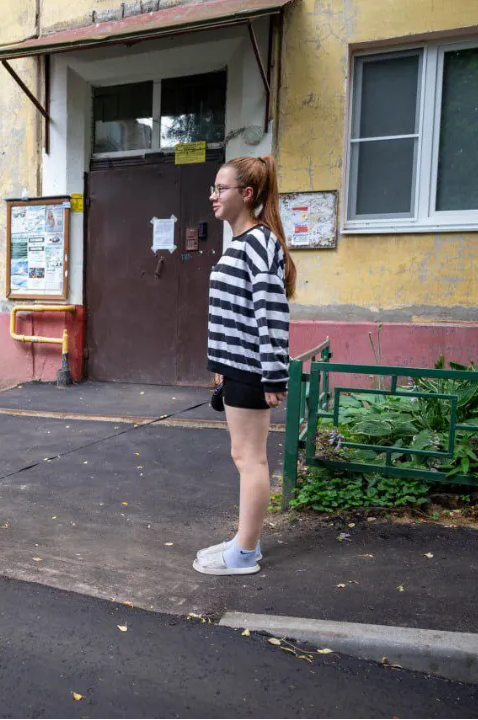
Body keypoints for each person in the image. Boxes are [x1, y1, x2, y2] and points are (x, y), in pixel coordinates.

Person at [194, 155, 296, 576]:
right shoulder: (244, 243)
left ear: (247, 194)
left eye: (222, 188)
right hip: (239, 367)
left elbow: (271, 312)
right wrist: (221, 363)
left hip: (254, 370)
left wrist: (274, 373)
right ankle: (243, 541)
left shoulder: (257, 242)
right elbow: (235, 313)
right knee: (245, 456)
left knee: (250, 459)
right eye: (214, 189)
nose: (214, 196)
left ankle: (245, 553)